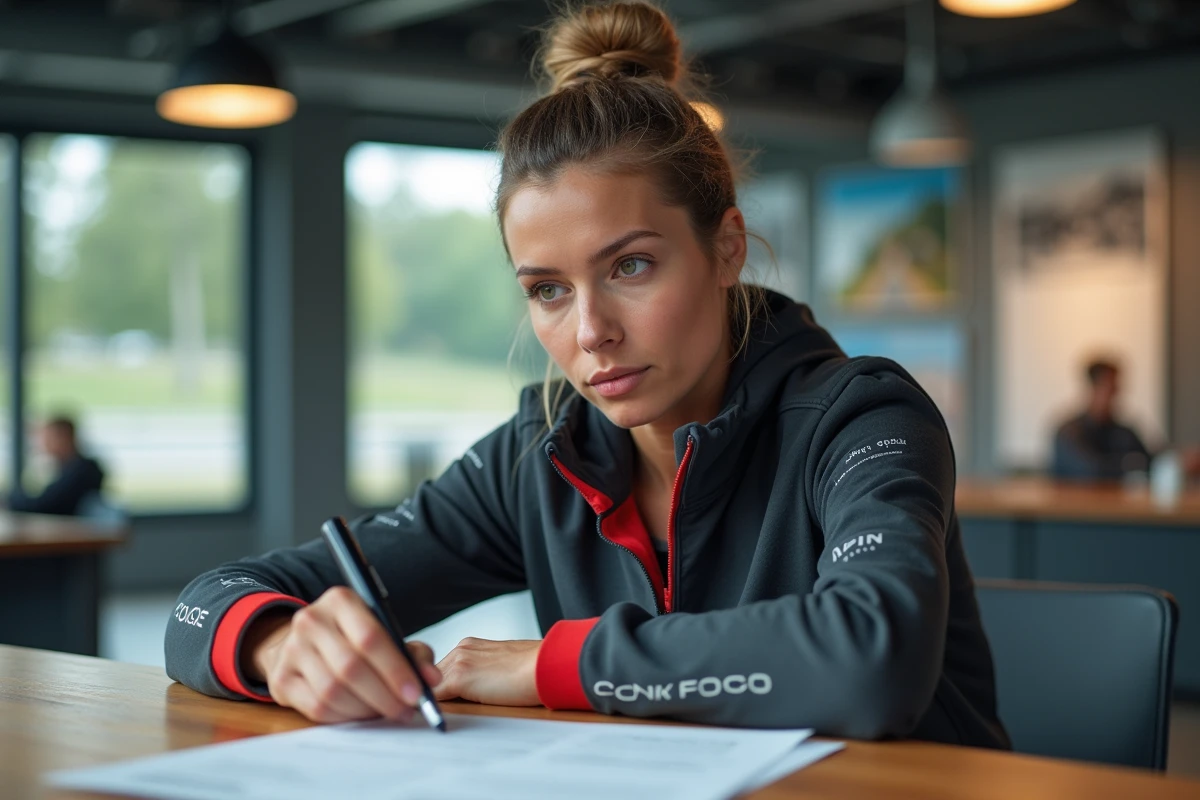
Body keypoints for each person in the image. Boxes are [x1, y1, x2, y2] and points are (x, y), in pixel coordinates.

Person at [165, 2, 1009, 749]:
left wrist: (561, 664)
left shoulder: (862, 415)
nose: (591, 331)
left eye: (632, 266)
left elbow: (874, 656)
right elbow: (205, 606)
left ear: (726, 248)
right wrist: (278, 645)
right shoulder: (539, 457)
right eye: (547, 290)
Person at [1052, 359, 1200, 481]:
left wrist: (1177, 459)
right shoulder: (1069, 432)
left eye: (1117, 387)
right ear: (1093, 387)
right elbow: (1092, 470)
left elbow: (1149, 458)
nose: (1116, 393)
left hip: (1121, 510)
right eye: (1110, 387)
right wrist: (1133, 464)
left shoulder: (1123, 431)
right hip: (1075, 513)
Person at [3, 416, 105, 516]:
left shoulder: (81, 471)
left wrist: (9, 500)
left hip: (70, 530)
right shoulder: (74, 468)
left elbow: (44, 505)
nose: (45, 444)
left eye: (49, 438)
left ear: (64, 437)